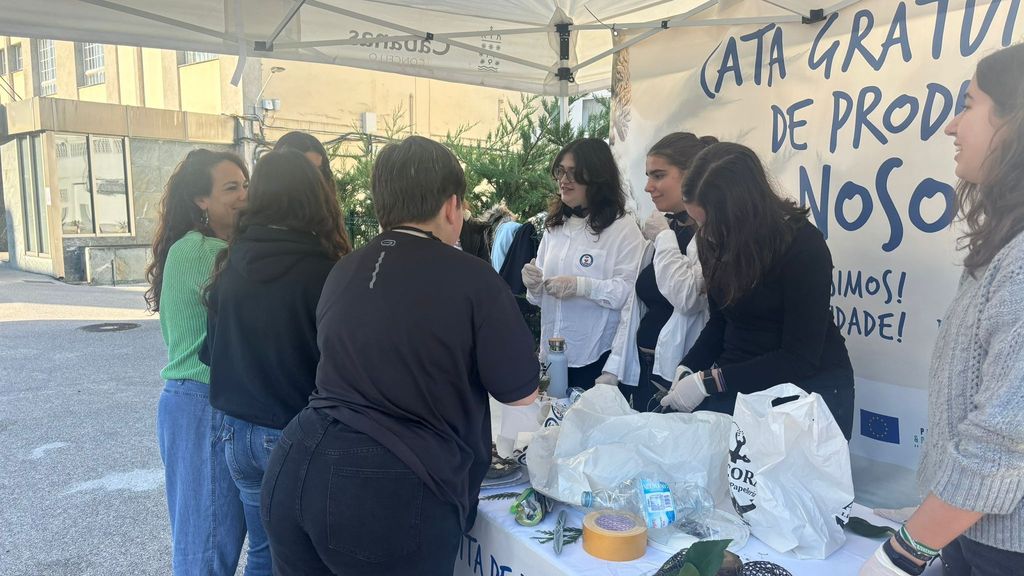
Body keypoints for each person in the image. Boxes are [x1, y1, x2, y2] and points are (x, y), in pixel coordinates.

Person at [261, 136, 539, 576]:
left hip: (295, 461)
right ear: (452, 206)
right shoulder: (472, 277)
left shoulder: (344, 269)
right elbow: (521, 392)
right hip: (386, 486)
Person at [859, 43, 1024, 576]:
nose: (952, 126)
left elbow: (1005, 438)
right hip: (974, 533)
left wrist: (904, 552)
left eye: (970, 105)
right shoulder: (1006, 244)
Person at [200, 150, 350, 575]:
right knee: (312, 557)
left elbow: (212, 355)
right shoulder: (324, 271)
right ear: (314, 198)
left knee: (265, 551)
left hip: (236, 434)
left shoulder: (229, 263)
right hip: (295, 432)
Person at [659, 142, 856, 439]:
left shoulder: (803, 246)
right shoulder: (715, 240)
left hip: (808, 390)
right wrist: (689, 367)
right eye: (696, 222)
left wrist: (709, 382)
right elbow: (721, 320)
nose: (704, 233)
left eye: (710, 222)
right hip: (739, 381)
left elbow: (798, 357)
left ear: (742, 211)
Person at [144, 149, 249, 575]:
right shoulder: (200, 251)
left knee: (214, 544)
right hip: (201, 404)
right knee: (205, 553)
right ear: (200, 201)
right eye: (231, 188)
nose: (244, 196)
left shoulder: (220, 248)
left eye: (246, 185)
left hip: (206, 405)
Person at [602, 133, 715, 411]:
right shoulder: (666, 226)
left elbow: (688, 297)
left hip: (682, 373)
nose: (649, 187)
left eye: (659, 176)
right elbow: (635, 305)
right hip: (646, 368)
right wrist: (614, 367)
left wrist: (664, 239)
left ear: (691, 175)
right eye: (648, 176)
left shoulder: (707, 234)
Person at [521, 138, 645, 390]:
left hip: (595, 356)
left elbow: (629, 295)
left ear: (598, 177)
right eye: (560, 171)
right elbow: (537, 299)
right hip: (552, 354)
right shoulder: (555, 226)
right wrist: (533, 285)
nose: (564, 180)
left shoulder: (622, 229)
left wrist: (582, 287)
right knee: (551, 422)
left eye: (574, 173)